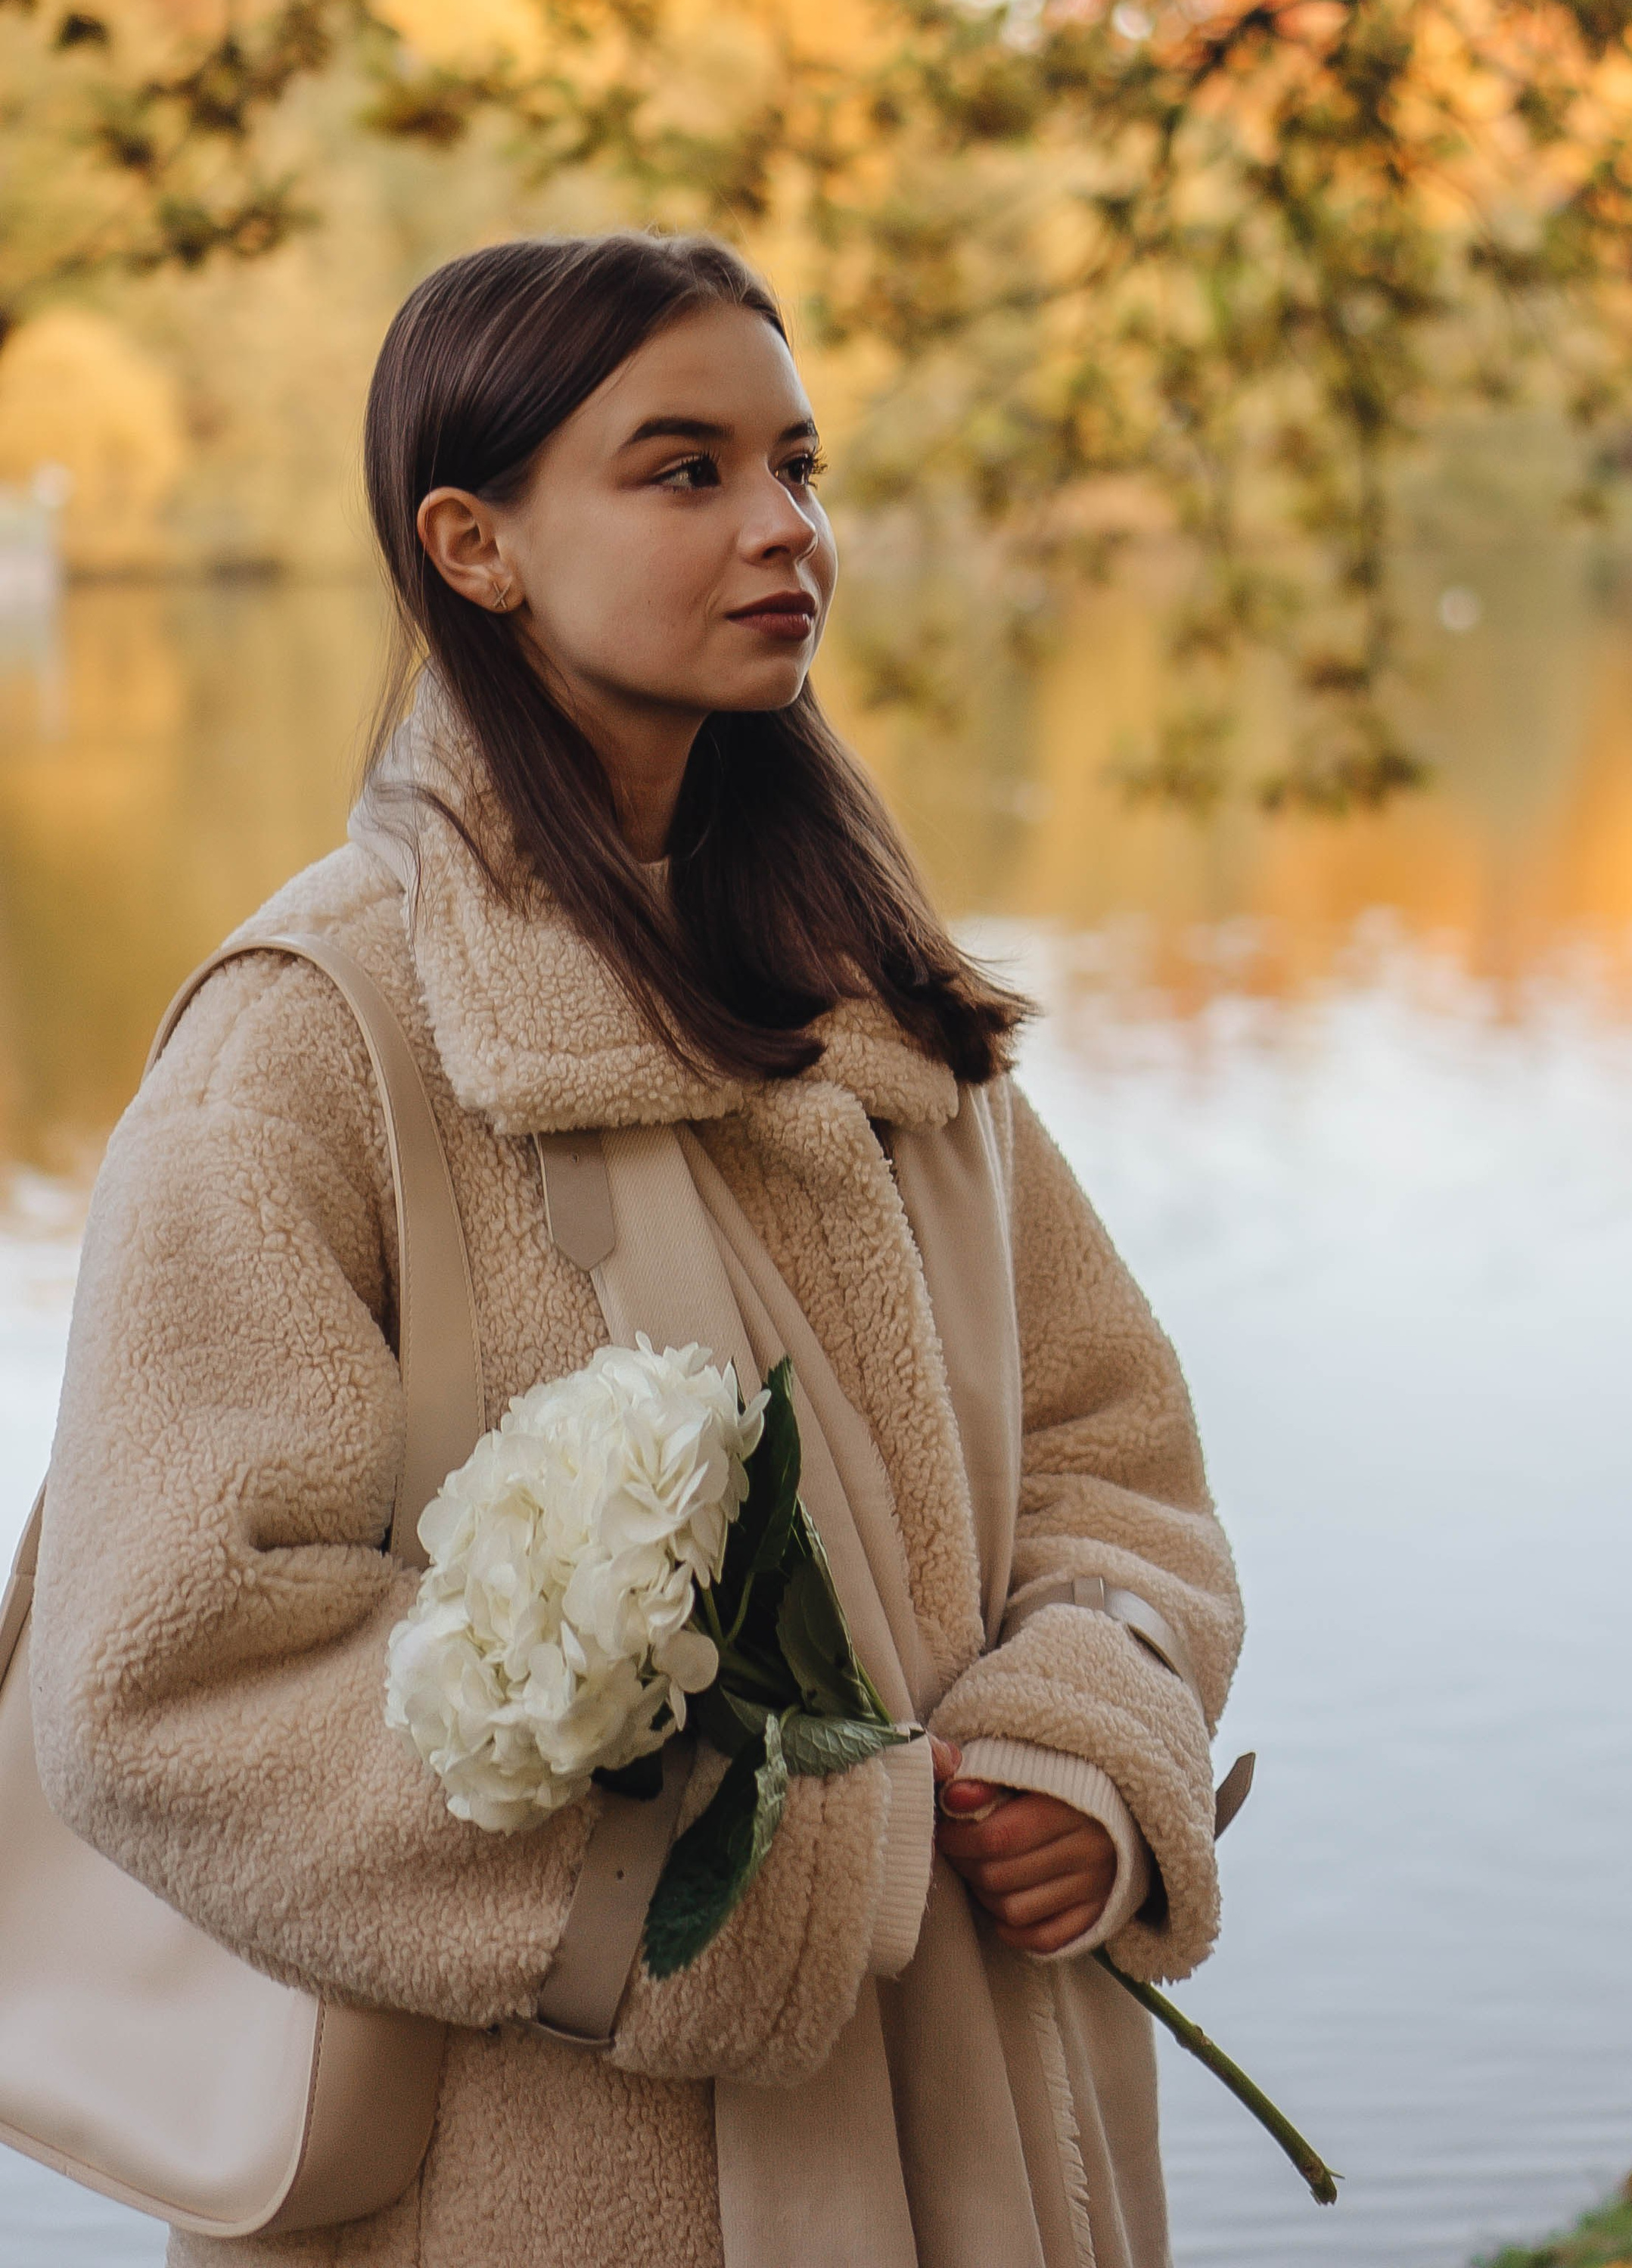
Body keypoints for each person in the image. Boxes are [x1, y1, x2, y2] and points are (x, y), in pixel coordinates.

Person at [32, 230, 1244, 2268]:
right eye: (686, 471)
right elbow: (165, 1678)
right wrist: (734, 1881)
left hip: (991, 2135)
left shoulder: (875, 1006)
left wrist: (1083, 1749)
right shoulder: (314, 1035)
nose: (785, 529)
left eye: (801, 465)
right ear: (473, 543)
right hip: (543, 2181)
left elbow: (1114, 1458)